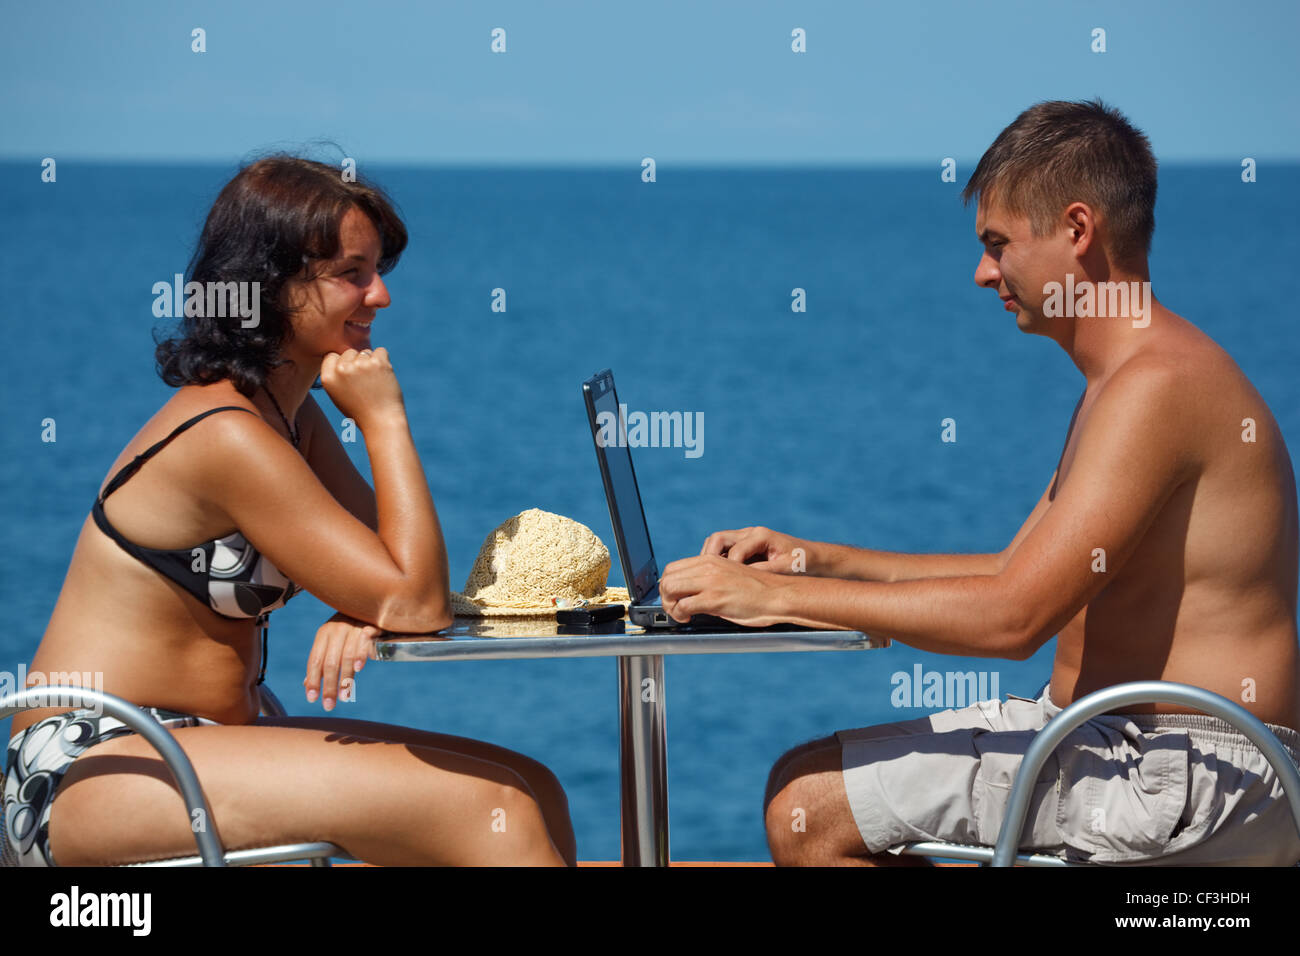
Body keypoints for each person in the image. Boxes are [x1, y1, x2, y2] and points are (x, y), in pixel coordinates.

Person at [658, 99, 1300, 866]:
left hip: (1179, 772)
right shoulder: (1130, 379)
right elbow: (1008, 572)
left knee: (807, 806)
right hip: (1132, 745)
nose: (983, 272)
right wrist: (809, 561)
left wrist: (776, 602)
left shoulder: (1155, 388)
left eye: (998, 245)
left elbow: (1011, 619)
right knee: (814, 784)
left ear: (1076, 230)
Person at [3, 156, 573, 867]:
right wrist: (384, 422)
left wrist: (357, 608)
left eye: (377, 270)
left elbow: (399, 577)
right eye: (352, 274)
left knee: (536, 787)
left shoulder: (286, 418)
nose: (382, 296)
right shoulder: (228, 435)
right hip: (94, 765)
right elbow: (418, 600)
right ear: (270, 286)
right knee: (497, 810)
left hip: (206, 743)